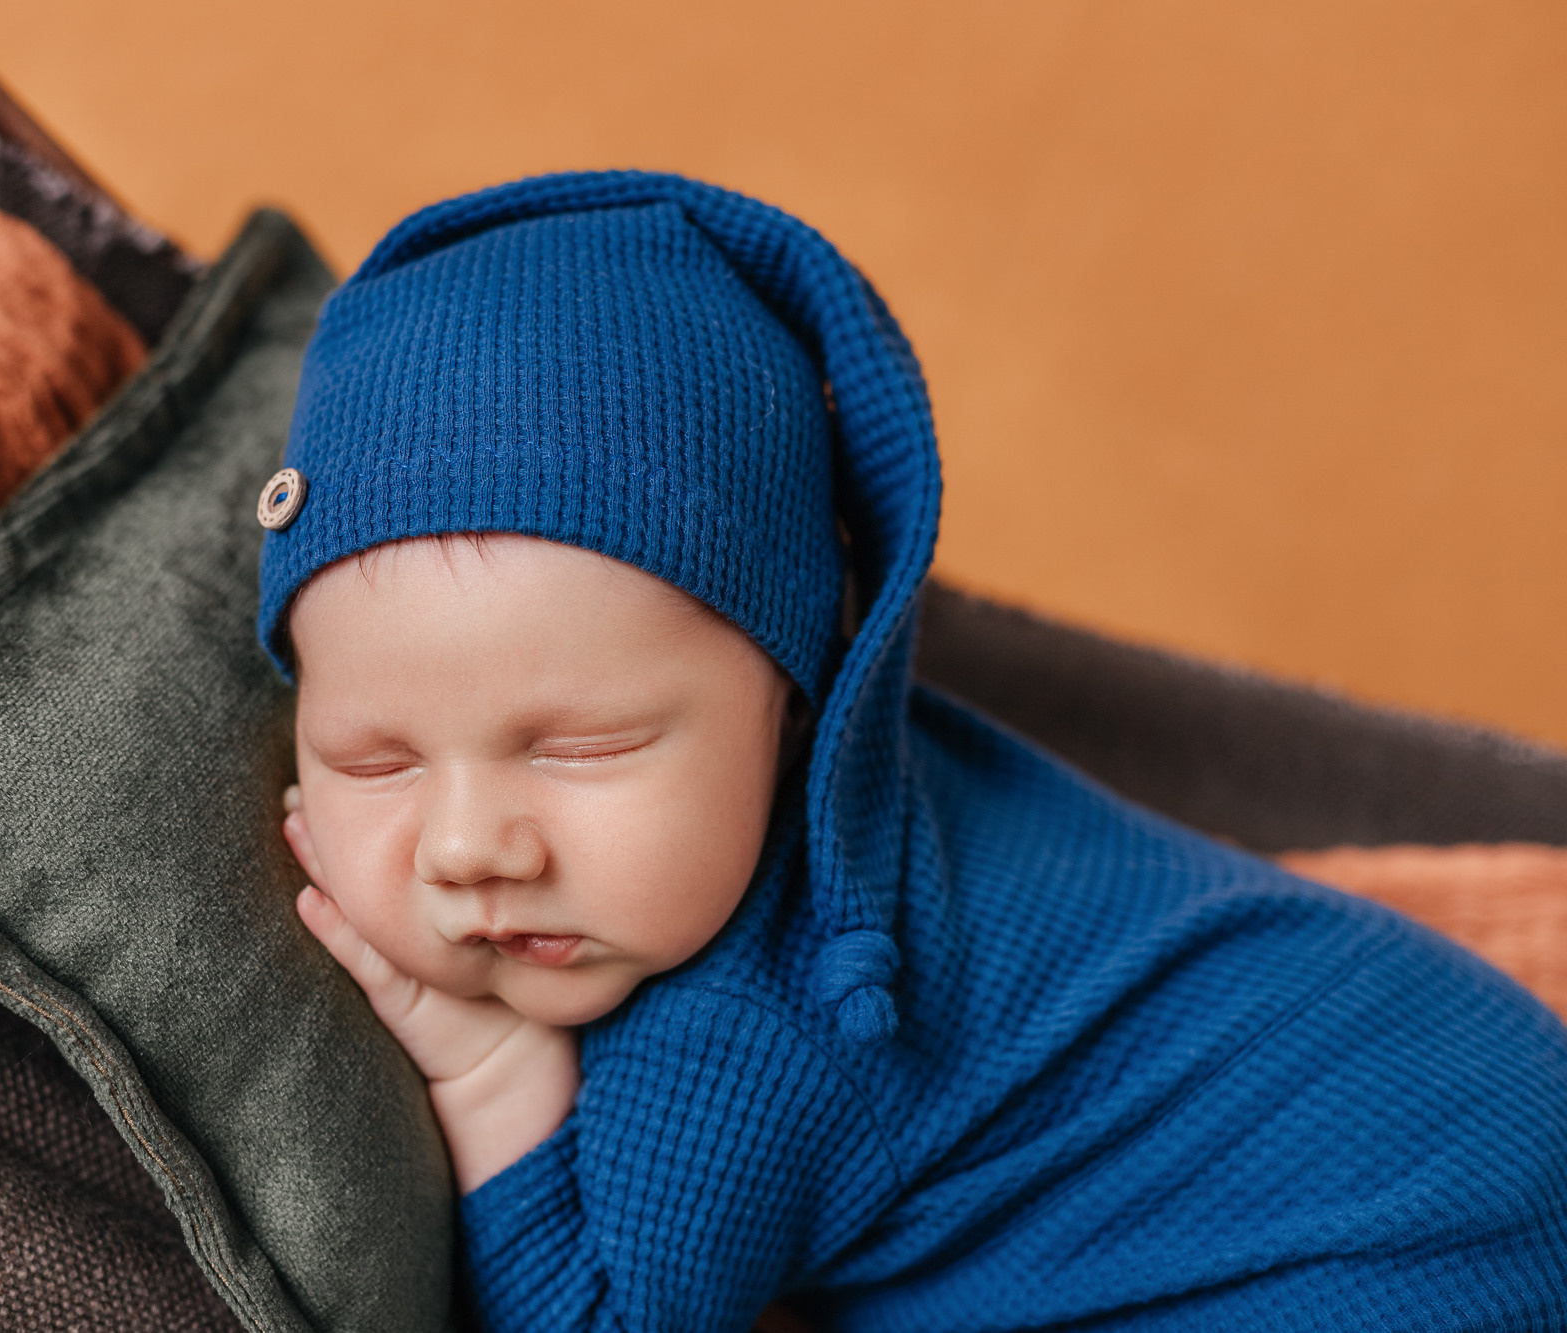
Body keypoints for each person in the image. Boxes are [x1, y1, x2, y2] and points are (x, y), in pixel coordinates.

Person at [253, 172, 1567, 1330]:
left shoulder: (769, 1021)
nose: (474, 843)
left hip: (1410, 1251)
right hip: (1472, 1102)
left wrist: (489, 1074)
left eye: (584, 748)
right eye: (376, 761)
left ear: (798, 693)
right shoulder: (807, 811)